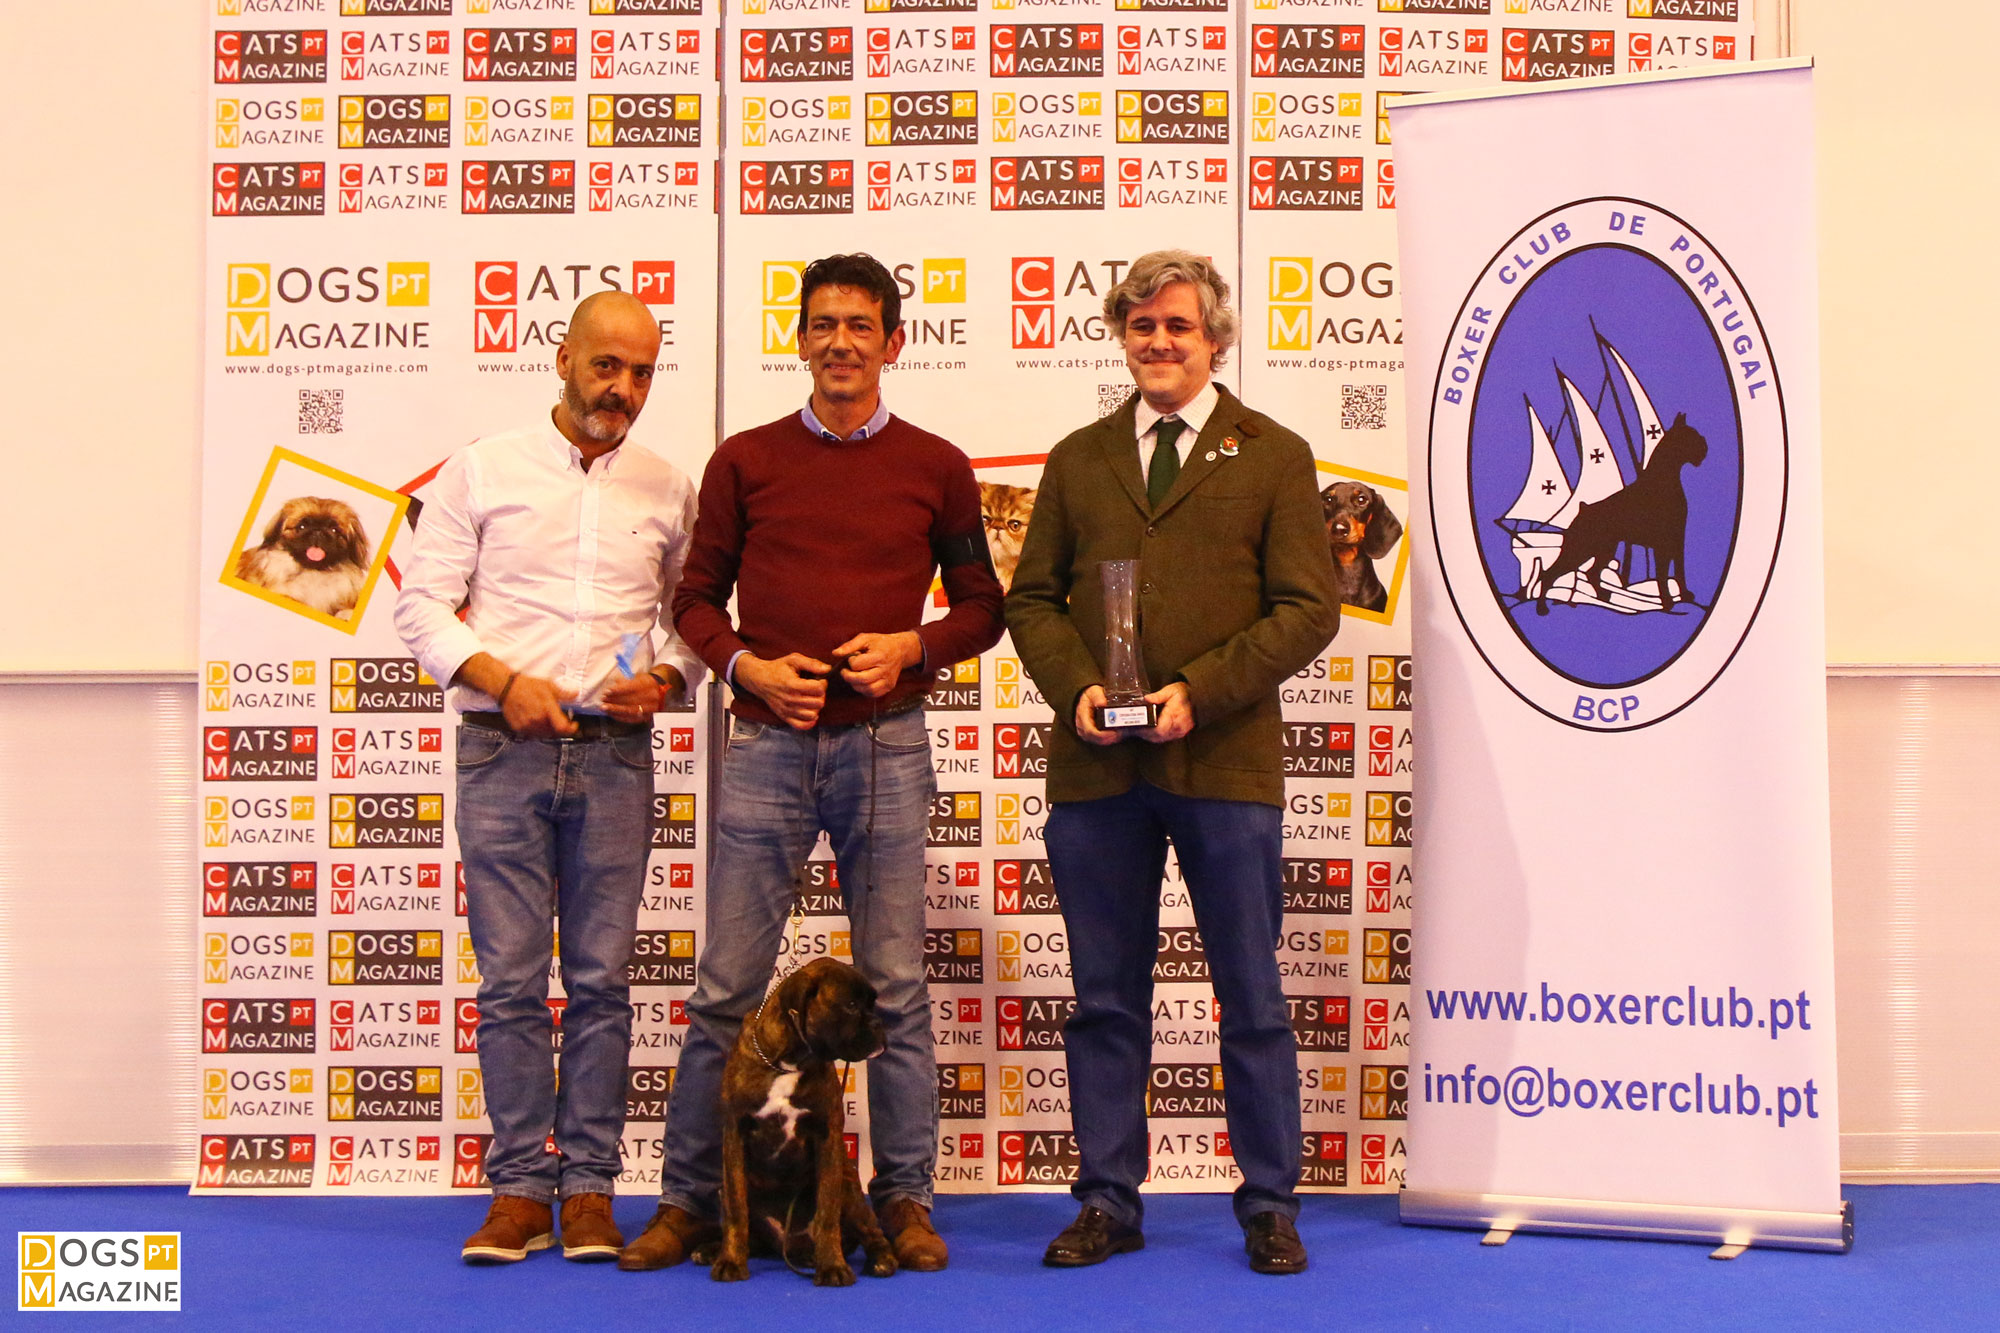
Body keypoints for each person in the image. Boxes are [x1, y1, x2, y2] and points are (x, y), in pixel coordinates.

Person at [619, 253, 1004, 1274]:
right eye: (823, 323)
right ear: (799, 339)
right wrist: (745, 665)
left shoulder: (937, 465)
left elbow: (982, 607)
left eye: (859, 324)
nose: (840, 341)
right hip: (766, 745)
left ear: (893, 342)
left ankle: (905, 1199)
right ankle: (687, 1201)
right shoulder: (744, 460)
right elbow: (693, 601)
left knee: (895, 987)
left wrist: (912, 646)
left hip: (887, 744)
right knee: (725, 988)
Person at [1003, 250, 1340, 1275]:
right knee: (1104, 997)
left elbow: (1308, 608)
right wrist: (1076, 689)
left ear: (1215, 341)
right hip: (1097, 768)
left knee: (1252, 997)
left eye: (1178, 325)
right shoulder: (1079, 458)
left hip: (1224, 765)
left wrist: (1200, 688)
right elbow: (1030, 599)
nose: (1157, 341)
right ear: (1122, 336)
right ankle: (1107, 1199)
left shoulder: (1275, 454)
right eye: (1140, 324)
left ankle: (1270, 1204)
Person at [393, 291, 703, 1265]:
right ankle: (520, 1188)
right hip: (501, 747)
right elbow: (421, 605)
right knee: (513, 983)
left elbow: (689, 621)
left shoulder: (668, 486)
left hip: (616, 753)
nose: (623, 389)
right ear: (563, 357)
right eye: (607, 365)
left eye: (642, 373)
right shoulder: (482, 468)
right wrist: (502, 681)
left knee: (604, 982)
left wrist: (666, 678)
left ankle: (592, 1190)